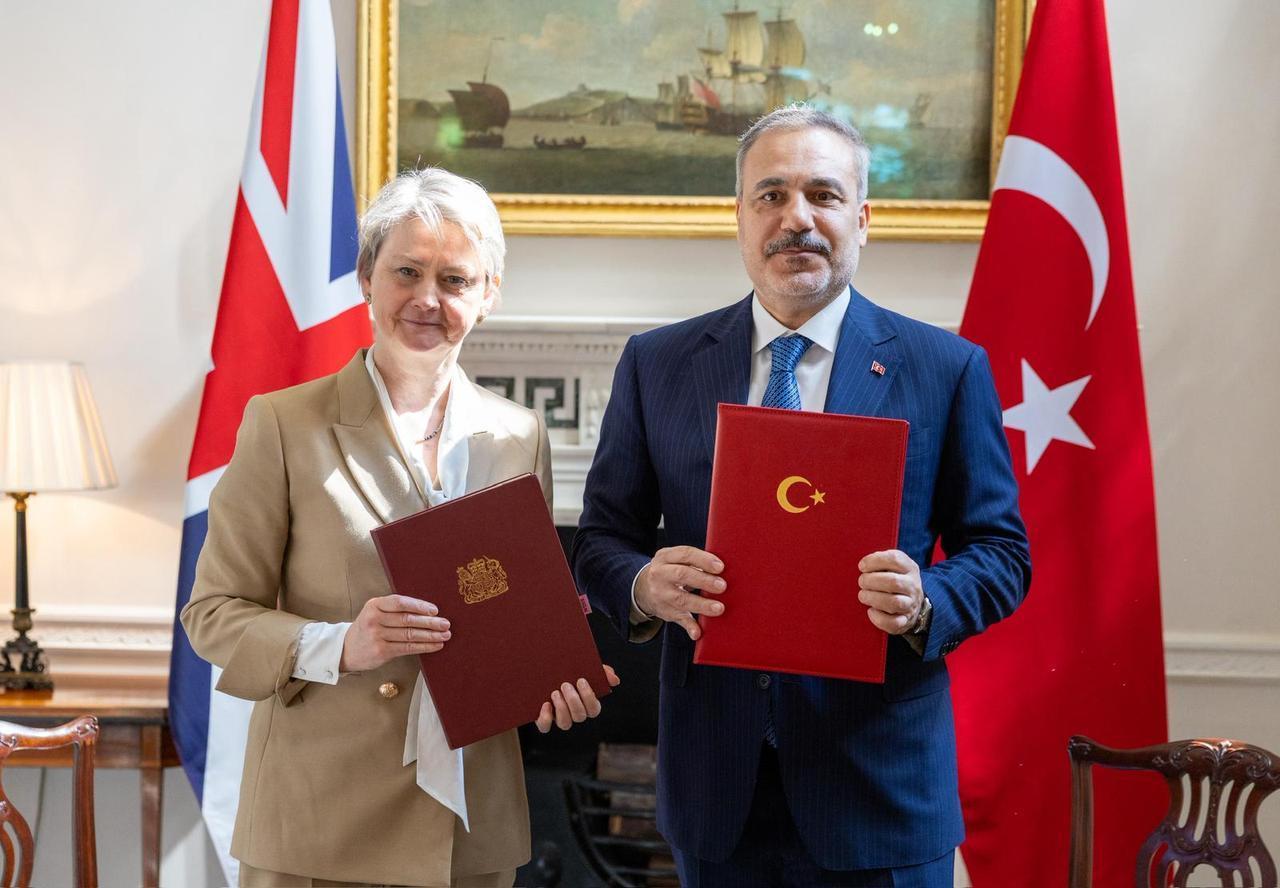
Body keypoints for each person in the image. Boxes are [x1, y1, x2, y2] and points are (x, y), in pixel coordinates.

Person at [571, 106, 1031, 887]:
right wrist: (644, 585)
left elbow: (1001, 553)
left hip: (880, 792)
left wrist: (926, 600)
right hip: (716, 793)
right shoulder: (657, 364)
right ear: (740, 218)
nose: (797, 219)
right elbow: (600, 540)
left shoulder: (946, 369)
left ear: (862, 218)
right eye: (772, 195)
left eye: (822, 194)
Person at [182, 168, 618, 888]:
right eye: (406, 272)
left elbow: (509, 609)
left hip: (470, 825)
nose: (427, 299)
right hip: (319, 821)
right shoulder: (284, 424)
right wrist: (340, 644)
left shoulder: (521, 435)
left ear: (489, 294)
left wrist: (549, 674)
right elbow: (213, 615)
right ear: (367, 279)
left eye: (455, 280)